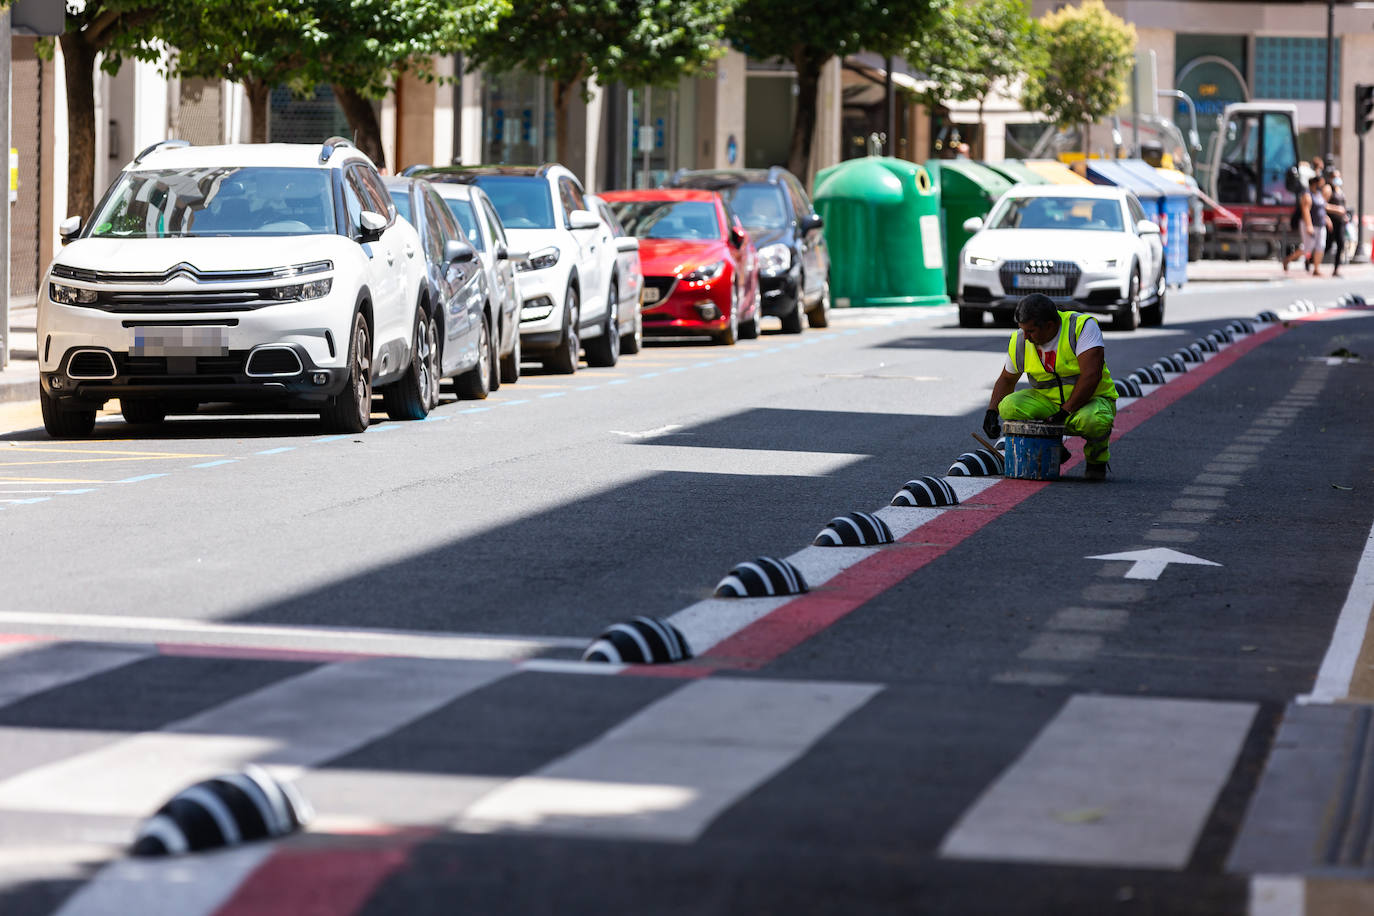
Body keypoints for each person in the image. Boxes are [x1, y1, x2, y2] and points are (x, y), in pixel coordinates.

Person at [983, 294, 1118, 481]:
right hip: (1048, 406)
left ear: (1050, 325)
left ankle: (1097, 459)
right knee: (1008, 405)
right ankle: (1052, 446)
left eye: (1030, 331)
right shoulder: (1021, 340)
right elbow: (1007, 379)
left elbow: (1091, 376)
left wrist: (1065, 412)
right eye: (1022, 330)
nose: (1026, 337)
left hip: (1088, 402)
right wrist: (991, 412)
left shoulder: (1081, 327)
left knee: (1095, 420)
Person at [1284, 175, 1329, 275]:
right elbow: (1305, 210)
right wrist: (1309, 225)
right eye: (1320, 183)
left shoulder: (1318, 194)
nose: (1322, 186)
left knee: (1320, 246)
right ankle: (1288, 259)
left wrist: (1327, 218)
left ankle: (1316, 269)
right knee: (1307, 248)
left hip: (1320, 224)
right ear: (1315, 183)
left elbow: (1323, 208)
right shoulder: (1307, 195)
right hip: (1310, 225)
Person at [1324, 170, 1348, 277]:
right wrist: (1336, 209)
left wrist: (1344, 215)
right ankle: (1310, 261)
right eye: (1335, 177)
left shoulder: (1340, 191)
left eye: (1338, 176)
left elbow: (1343, 206)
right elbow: (1323, 205)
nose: (1337, 178)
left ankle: (1336, 269)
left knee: (1341, 244)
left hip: (1340, 222)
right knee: (1328, 246)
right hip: (1332, 222)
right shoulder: (1329, 190)